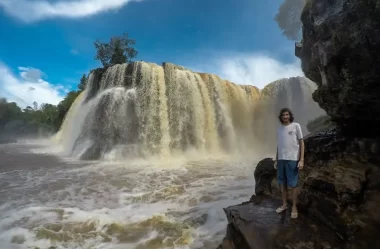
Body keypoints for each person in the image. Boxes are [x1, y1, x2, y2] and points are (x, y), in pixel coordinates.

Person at [274, 107, 304, 219]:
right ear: (281, 117)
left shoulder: (296, 126)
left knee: (293, 184)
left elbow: (301, 143)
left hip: (292, 159)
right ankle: (284, 204)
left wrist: (301, 159)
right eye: (283, 115)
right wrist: (276, 159)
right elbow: (279, 145)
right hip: (281, 159)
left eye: (287, 115)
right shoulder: (279, 129)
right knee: (283, 183)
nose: (285, 116)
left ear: (290, 116)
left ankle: (294, 207)